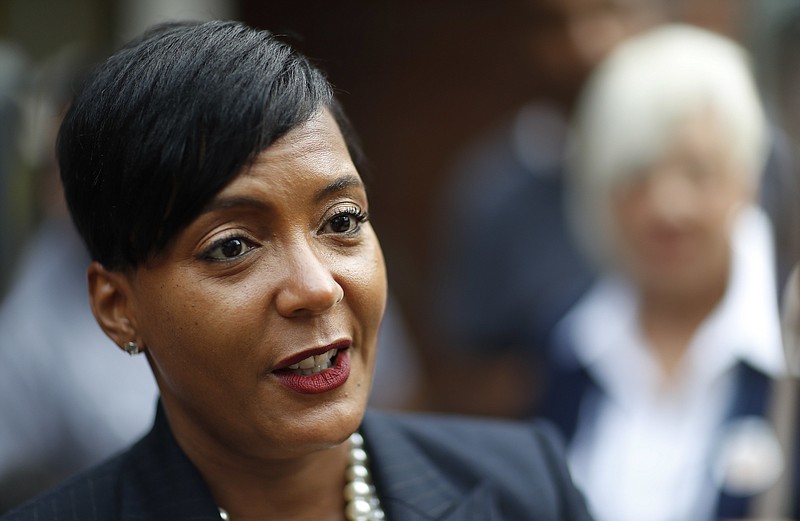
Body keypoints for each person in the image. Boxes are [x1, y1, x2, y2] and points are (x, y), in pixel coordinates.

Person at [1, 21, 593, 521]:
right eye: (232, 248)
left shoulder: (525, 488)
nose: (316, 287)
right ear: (117, 306)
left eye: (340, 220)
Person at [542, 24, 788, 521]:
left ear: (747, 177)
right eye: (636, 175)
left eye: (698, 171)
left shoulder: (789, 339)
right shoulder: (569, 341)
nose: (666, 206)